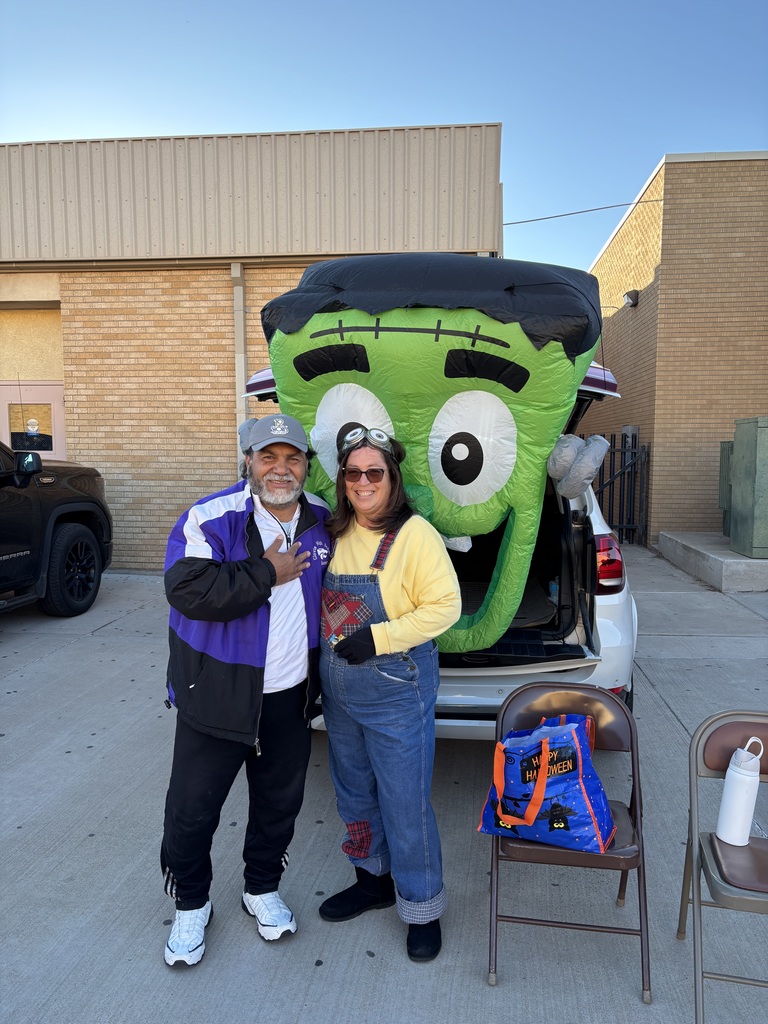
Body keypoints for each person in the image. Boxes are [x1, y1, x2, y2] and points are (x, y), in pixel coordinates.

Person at [161, 413, 330, 968]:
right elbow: (186, 589)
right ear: (249, 462)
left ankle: (260, 888)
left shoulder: (324, 522)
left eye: (292, 458)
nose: (281, 469)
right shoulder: (210, 518)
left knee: (279, 806)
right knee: (191, 812)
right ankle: (191, 902)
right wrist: (266, 572)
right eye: (268, 457)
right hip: (216, 693)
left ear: (307, 464)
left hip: (290, 697)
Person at [318, 426, 461, 963]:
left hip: (396, 685)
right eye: (352, 473)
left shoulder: (414, 535)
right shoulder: (333, 531)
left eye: (373, 472)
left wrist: (376, 637)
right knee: (353, 793)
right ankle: (371, 880)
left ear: (392, 478)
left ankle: (422, 906)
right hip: (339, 687)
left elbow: (444, 607)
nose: (362, 482)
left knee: (404, 802)